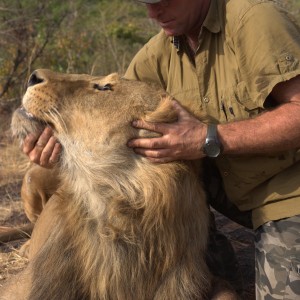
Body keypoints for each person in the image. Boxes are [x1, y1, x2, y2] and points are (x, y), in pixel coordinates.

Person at [22, 0, 300, 299]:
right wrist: (57, 135)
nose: (153, 12)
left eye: (163, 0)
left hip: (284, 191)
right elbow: (112, 110)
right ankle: (207, 248)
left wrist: (208, 138)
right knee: (42, 176)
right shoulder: (155, 55)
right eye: (145, 2)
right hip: (222, 185)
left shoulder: (253, 20)